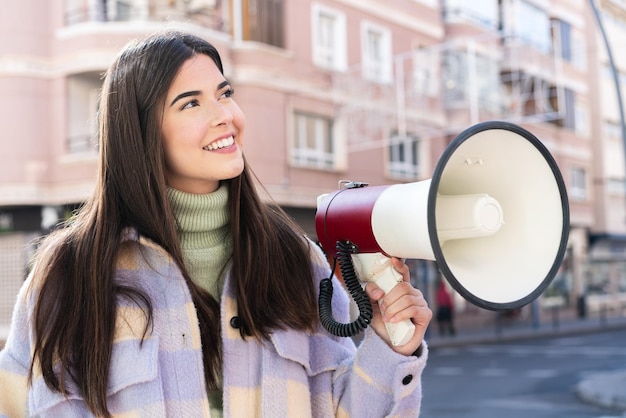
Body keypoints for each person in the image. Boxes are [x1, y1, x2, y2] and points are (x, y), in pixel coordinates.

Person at [0, 30, 432, 417]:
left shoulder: (293, 258)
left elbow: (338, 409)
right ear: (140, 132)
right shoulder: (72, 272)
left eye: (224, 94)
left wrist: (390, 345)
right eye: (191, 103)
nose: (225, 114)